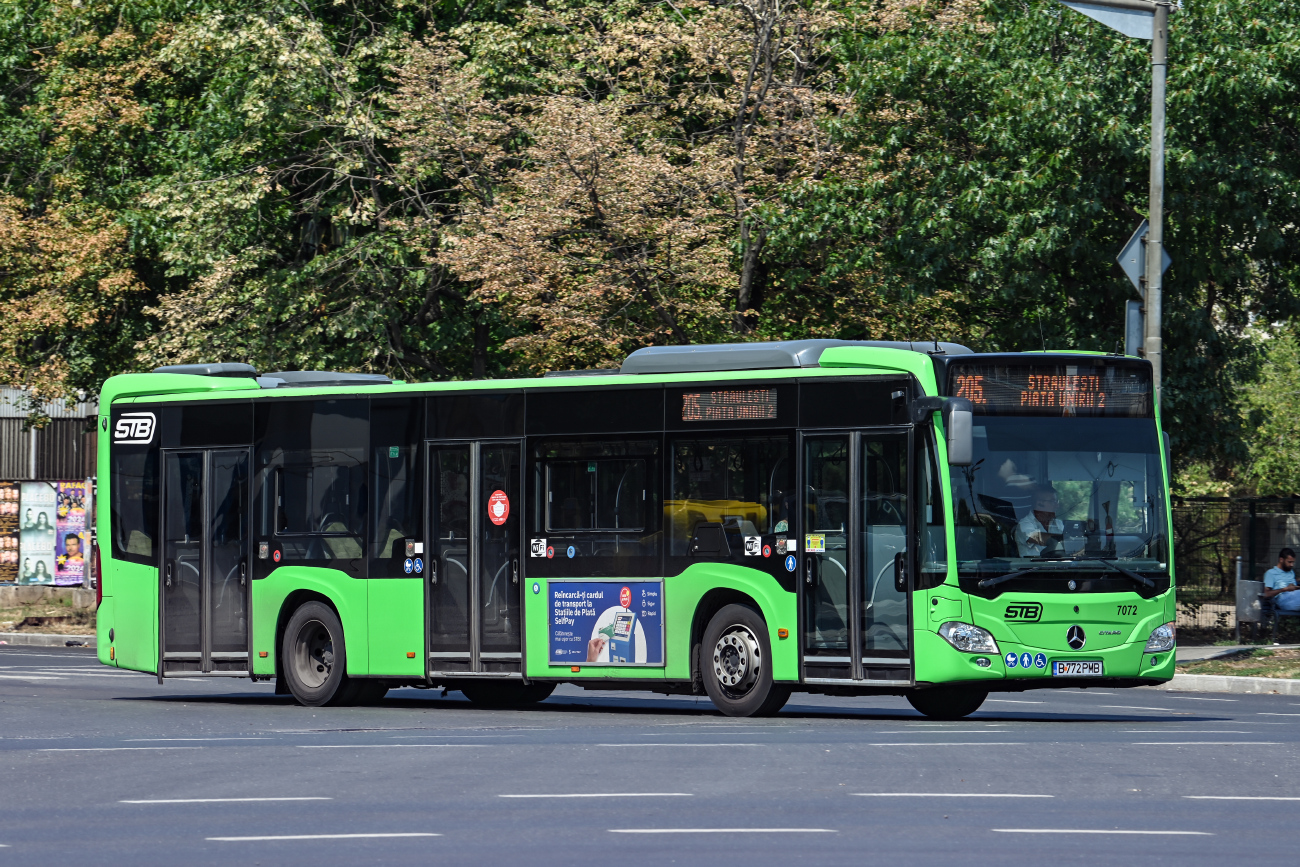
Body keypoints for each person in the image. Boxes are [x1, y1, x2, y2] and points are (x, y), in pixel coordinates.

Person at [1015, 487, 1064, 557]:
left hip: (1059, 563)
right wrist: (1064, 538)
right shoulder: (1024, 524)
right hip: (1033, 564)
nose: (1057, 505)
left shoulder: (1058, 523)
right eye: (1052, 501)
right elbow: (1037, 537)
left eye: (1057, 501)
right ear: (1039, 503)